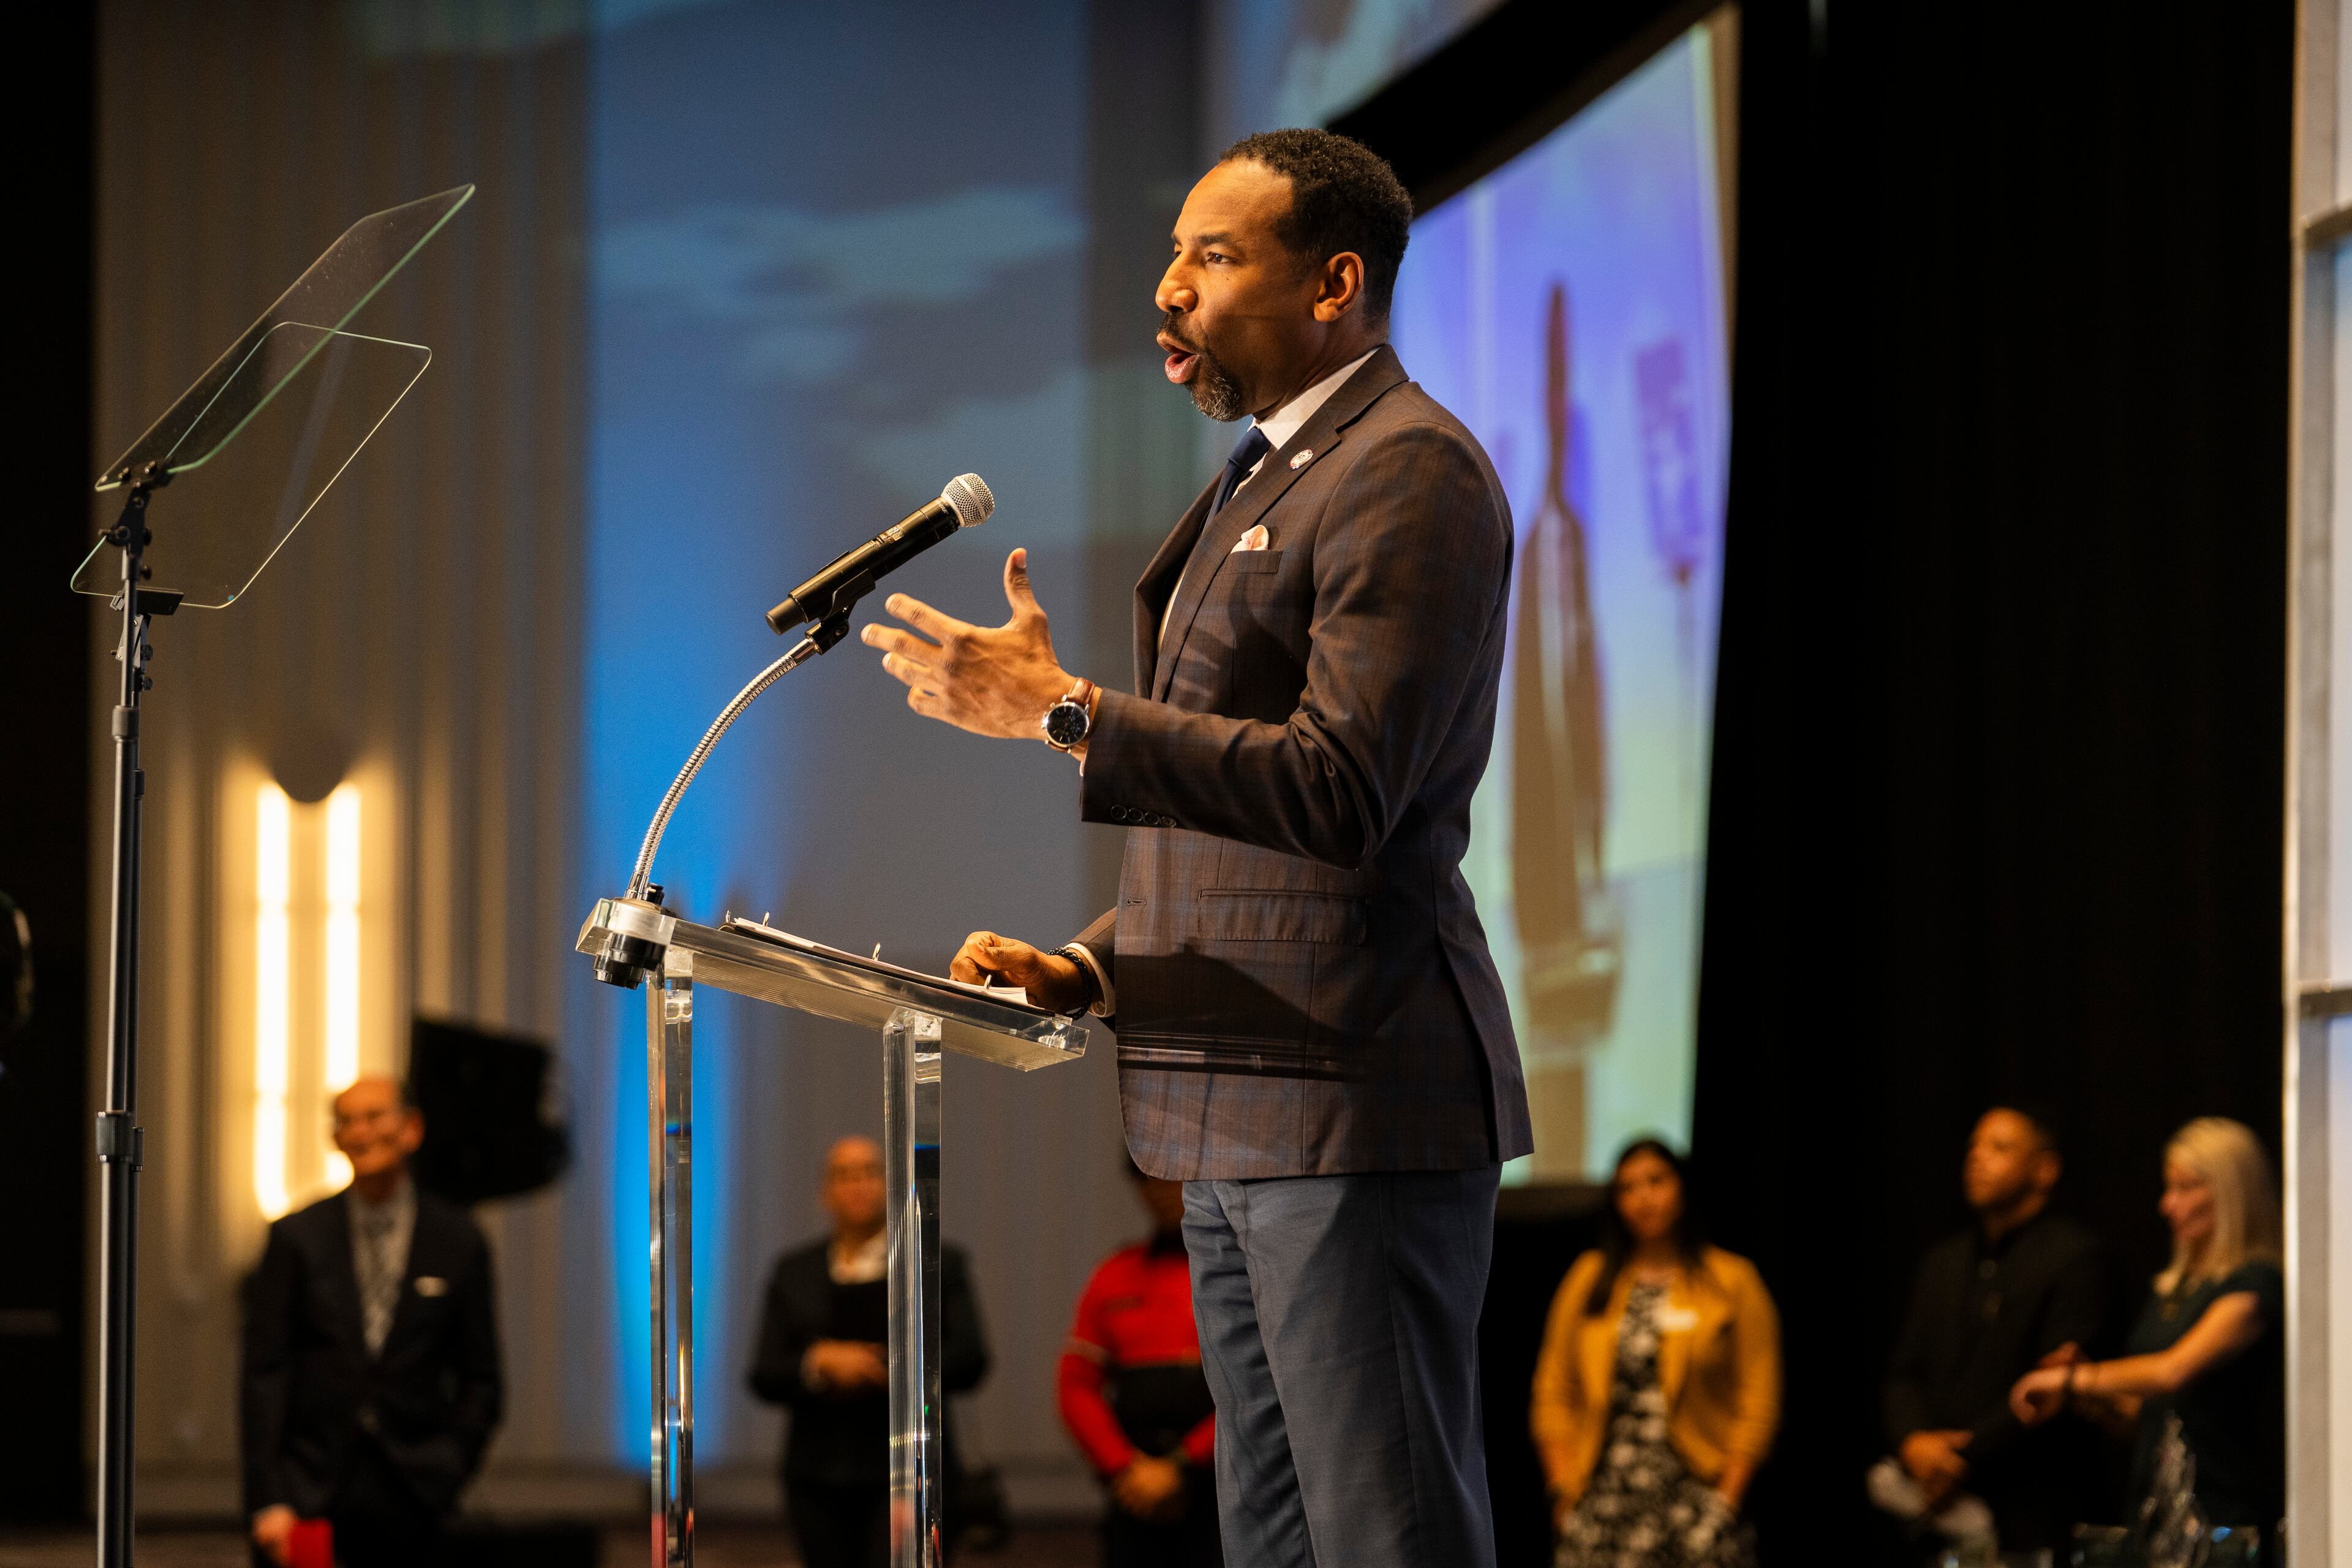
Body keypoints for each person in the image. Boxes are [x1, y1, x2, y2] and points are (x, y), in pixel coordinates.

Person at [859, 126, 1530, 1568]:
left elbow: (1341, 789)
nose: (1167, 288)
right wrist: (1091, 966)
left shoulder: (1407, 470)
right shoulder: (1255, 479)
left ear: (1333, 283)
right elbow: (1229, 830)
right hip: (1231, 1099)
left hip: (1347, 1096)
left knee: (1383, 1534)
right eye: (1171, 256)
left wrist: (1065, 711)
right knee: (1273, 1540)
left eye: (1213, 257)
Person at [239, 1077, 503, 1568]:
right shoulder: (297, 1236)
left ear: (411, 1128)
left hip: (417, 1493)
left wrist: (449, 1466)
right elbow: (265, 1371)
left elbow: (481, 1379)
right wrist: (268, 1496)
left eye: (374, 1116)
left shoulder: (458, 1239)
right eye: (346, 1120)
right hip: (310, 1490)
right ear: (335, 1138)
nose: (360, 1132)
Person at [2010, 1117, 2284, 1544]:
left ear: (2233, 1193)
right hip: (2157, 1519)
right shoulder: (2174, 1290)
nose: (2167, 1205)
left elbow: (2172, 1371)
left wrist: (2075, 1377)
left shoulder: (2255, 1284)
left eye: (2186, 1187)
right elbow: (2149, 1417)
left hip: (2224, 1525)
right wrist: (2084, 1396)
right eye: (2168, 1187)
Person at [1869, 1106, 2106, 1556]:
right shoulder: (1944, 1261)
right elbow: (1904, 1373)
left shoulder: (2075, 1258)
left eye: (1999, 1147)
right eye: (1973, 1147)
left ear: (2044, 1169)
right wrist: (1913, 1444)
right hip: (1928, 1511)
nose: (1977, 1158)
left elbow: (2054, 1384)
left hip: (2026, 1512)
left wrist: (1962, 1457)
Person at [1530, 1140, 1779, 1568]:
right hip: (1602, 1497)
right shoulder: (1589, 1278)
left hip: (1696, 1496)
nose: (1643, 1197)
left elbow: (1759, 1396)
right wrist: (1562, 1491)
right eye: (1628, 1188)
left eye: (1655, 1181)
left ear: (1682, 1187)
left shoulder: (1732, 1280)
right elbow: (1553, 1390)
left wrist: (1726, 1501)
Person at [748, 1135, 990, 1568]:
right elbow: (764, 1373)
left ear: (892, 1183)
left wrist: (882, 1366)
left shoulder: (935, 1261)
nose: (857, 1185)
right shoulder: (795, 1271)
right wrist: (817, 1364)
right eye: (844, 1175)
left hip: (910, 1470)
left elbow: (970, 1359)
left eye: (869, 1172)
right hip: (817, 1474)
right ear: (825, 1192)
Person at [1058, 1162, 1222, 1568]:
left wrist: (1184, 1466)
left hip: (1225, 1488)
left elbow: (1259, 1388)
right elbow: (1076, 1384)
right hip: (1134, 1491)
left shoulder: (1236, 1274)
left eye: (1174, 1176)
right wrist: (1125, 1468)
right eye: (1148, 1178)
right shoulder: (1116, 1274)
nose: (1162, 1190)